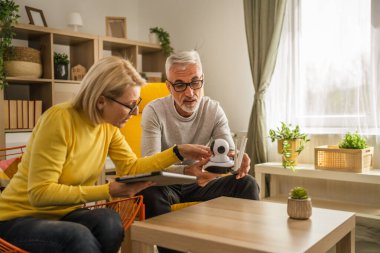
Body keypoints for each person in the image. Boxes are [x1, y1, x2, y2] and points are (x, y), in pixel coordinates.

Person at [0, 56, 211, 253]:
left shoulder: (108, 127)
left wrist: (178, 151)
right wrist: (108, 190)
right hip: (16, 219)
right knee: (78, 236)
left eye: (136, 104)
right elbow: (40, 193)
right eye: (130, 105)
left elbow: (131, 167)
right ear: (101, 101)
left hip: (63, 214)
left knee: (109, 221)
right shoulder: (60, 119)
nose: (136, 112)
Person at [140, 50, 260, 253]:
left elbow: (228, 153)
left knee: (247, 183)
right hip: (167, 183)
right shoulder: (154, 111)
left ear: (203, 81)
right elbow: (150, 165)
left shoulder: (213, 109)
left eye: (195, 83)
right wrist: (188, 172)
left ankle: (241, 248)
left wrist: (236, 161)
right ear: (169, 87)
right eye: (180, 85)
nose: (190, 93)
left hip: (201, 182)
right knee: (149, 193)